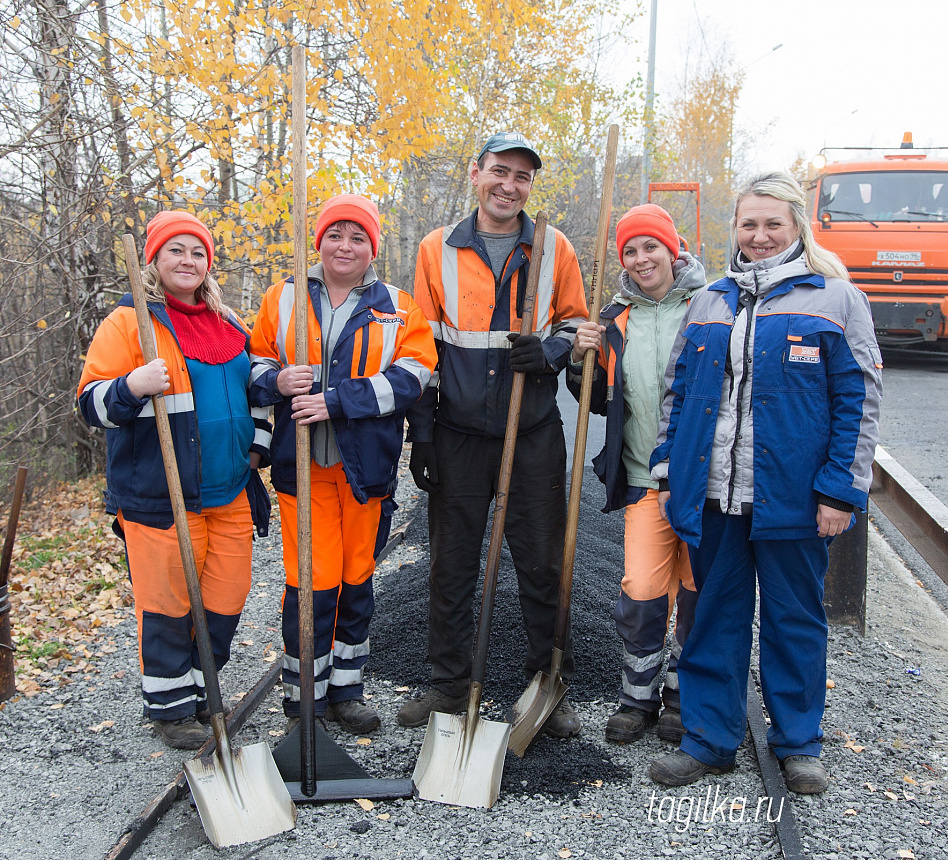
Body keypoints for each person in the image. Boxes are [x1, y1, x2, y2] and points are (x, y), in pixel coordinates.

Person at [648, 172, 883, 794]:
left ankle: (800, 743)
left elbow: (858, 399)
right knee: (714, 620)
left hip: (796, 500)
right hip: (716, 496)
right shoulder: (710, 300)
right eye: (748, 224)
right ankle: (708, 739)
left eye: (772, 223)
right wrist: (670, 471)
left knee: (795, 620)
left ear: (797, 227)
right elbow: (678, 395)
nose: (759, 235)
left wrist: (841, 490)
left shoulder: (835, 299)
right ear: (735, 229)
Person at [398, 131, 589, 737]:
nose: (510, 186)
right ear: (477, 174)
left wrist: (553, 349)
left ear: (531, 186)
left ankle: (546, 683)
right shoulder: (436, 249)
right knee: (450, 564)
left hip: (530, 428)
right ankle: (449, 686)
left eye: (523, 177)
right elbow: (418, 344)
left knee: (540, 561)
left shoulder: (553, 247)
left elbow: (578, 321)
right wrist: (422, 433)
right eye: (500, 172)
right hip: (457, 430)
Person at [78, 211, 272, 750]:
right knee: (168, 602)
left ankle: (203, 683)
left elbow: (256, 396)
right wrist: (131, 385)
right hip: (161, 493)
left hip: (230, 490)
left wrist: (257, 450)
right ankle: (170, 707)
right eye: (175, 251)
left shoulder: (230, 322)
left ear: (209, 263)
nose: (187, 261)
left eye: (197, 252)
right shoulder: (130, 322)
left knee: (226, 598)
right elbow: (90, 405)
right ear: (154, 261)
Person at [249, 194, 437, 735]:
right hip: (301, 466)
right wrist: (276, 380)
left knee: (356, 577)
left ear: (371, 248)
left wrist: (338, 400)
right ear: (320, 241)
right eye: (336, 234)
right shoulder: (283, 297)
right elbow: (255, 360)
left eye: (358, 237)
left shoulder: (396, 307)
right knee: (310, 578)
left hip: (364, 468)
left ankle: (347, 690)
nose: (345, 246)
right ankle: (302, 693)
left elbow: (414, 376)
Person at [568, 204, 705, 745]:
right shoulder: (614, 318)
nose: (642, 257)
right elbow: (596, 402)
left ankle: (682, 695)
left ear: (673, 248)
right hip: (644, 476)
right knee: (643, 587)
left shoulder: (709, 304)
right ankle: (638, 696)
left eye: (652, 246)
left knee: (697, 589)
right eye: (630, 249)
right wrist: (583, 359)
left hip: (701, 482)